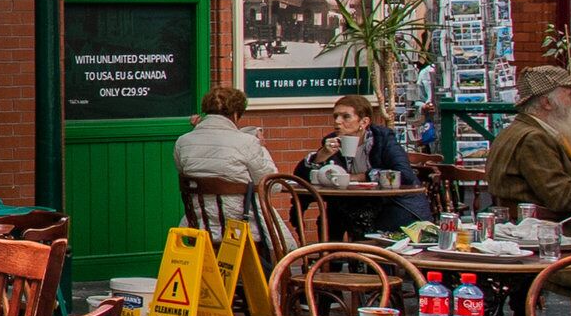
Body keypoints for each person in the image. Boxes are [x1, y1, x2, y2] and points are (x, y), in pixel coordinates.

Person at [482, 64, 571, 222]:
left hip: (527, 228)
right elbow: (563, 198)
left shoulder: (517, 130)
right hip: (547, 233)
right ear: (547, 103)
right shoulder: (534, 139)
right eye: (570, 94)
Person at [305, 93, 424, 229]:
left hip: (394, 204)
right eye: (335, 116)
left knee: (352, 215)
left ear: (364, 122)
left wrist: (361, 177)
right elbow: (301, 177)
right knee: (332, 215)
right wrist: (321, 155)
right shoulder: (333, 141)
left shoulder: (383, 138)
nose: (337, 121)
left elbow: (404, 174)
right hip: (353, 202)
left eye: (346, 116)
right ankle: (331, 249)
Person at [174, 85, 278, 189]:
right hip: (238, 205)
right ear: (236, 114)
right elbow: (272, 185)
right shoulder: (248, 142)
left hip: (197, 205)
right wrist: (262, 148)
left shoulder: (182, 142)